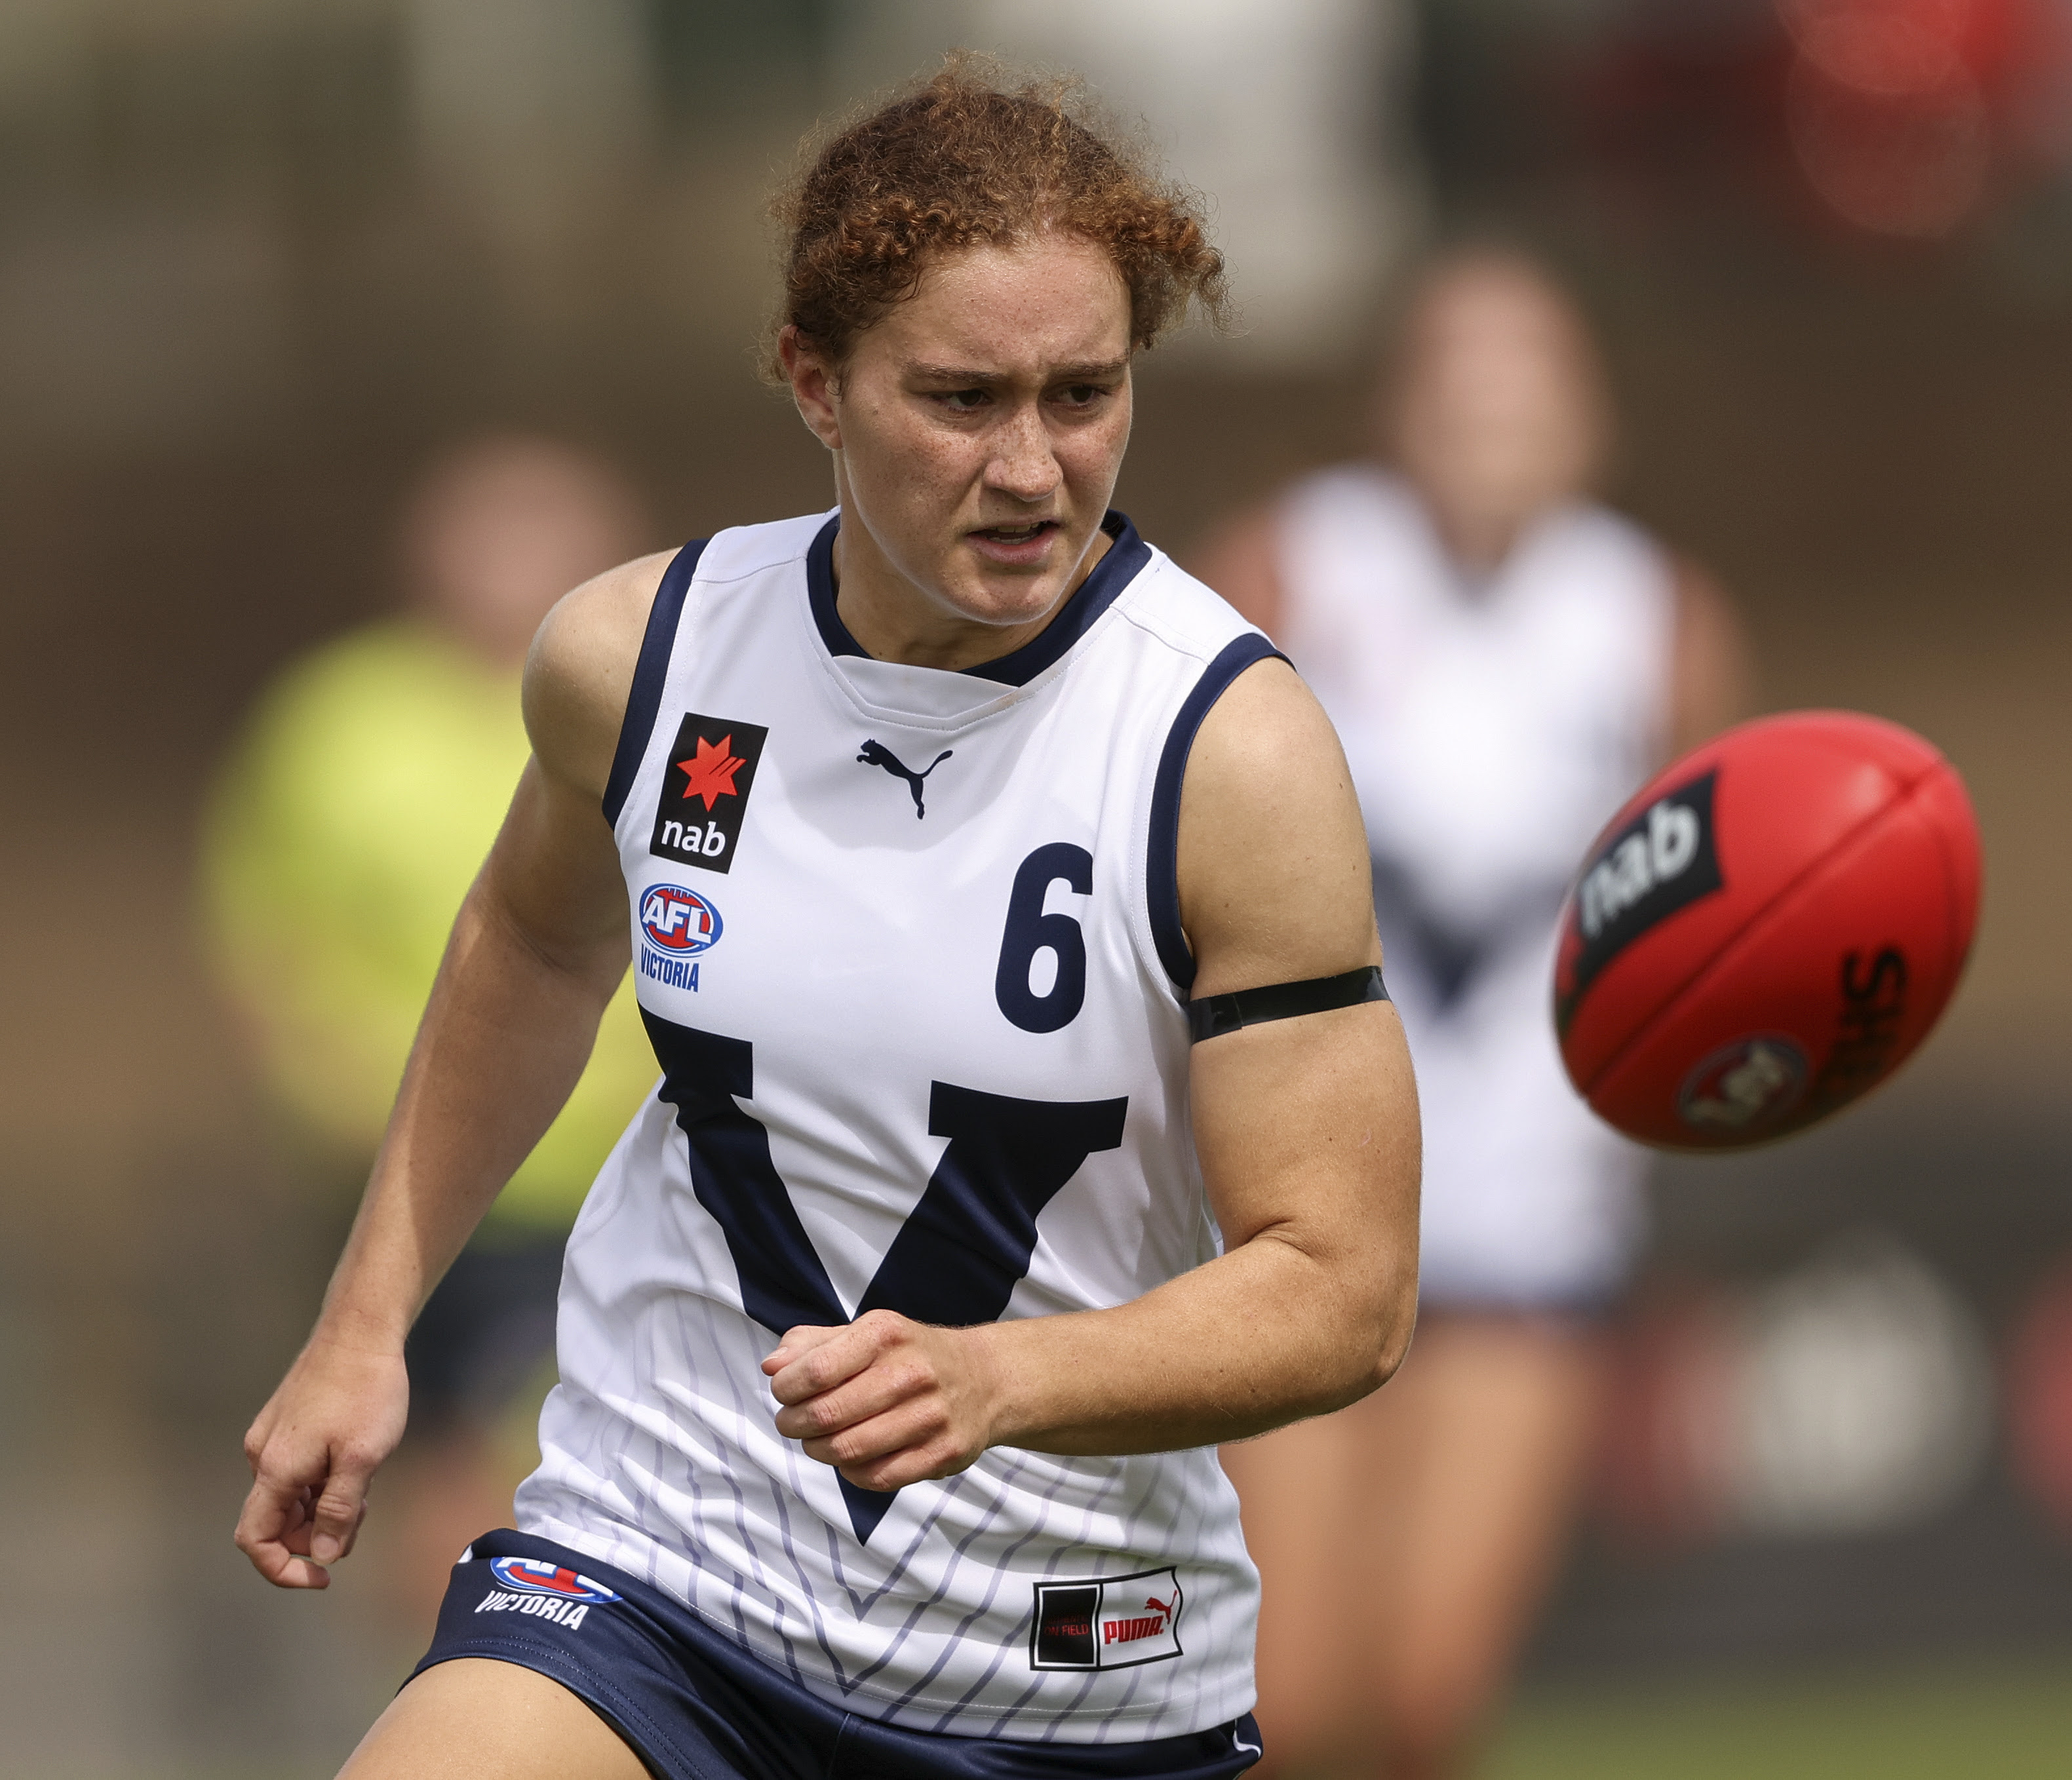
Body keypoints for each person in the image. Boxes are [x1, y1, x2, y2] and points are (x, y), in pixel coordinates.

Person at [234, 63, 1420, 1780]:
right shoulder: (640, 660)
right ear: (816, 383)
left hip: (1059, 1673)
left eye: (1083, 392)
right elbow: (538, 942)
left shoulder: (1227, 751)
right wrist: (360, 1330)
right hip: (655, 1581)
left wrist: (1003, 1381)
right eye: (960, 397)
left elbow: (1345, 1284)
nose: (1031, 465)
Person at [1196, 248, 1749, 1780]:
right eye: (1458, 370)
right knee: (1285, 1697)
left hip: (1531, 1193)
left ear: (1588, 413)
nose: (1491, 409)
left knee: (1429, 1693)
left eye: (1529, 374)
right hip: (1305, 1187)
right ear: (1400, 398)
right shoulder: (1292, 563)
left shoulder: (1654, 615)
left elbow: (1714, 914)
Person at [204, 435, 662, 1632]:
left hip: (642, 1154)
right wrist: (339, 1090)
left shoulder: (646, 700)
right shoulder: (338, 718)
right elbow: (268, 933)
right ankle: (459, 1685)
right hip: (441, 1161)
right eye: (488, 531)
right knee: (473, 1456)